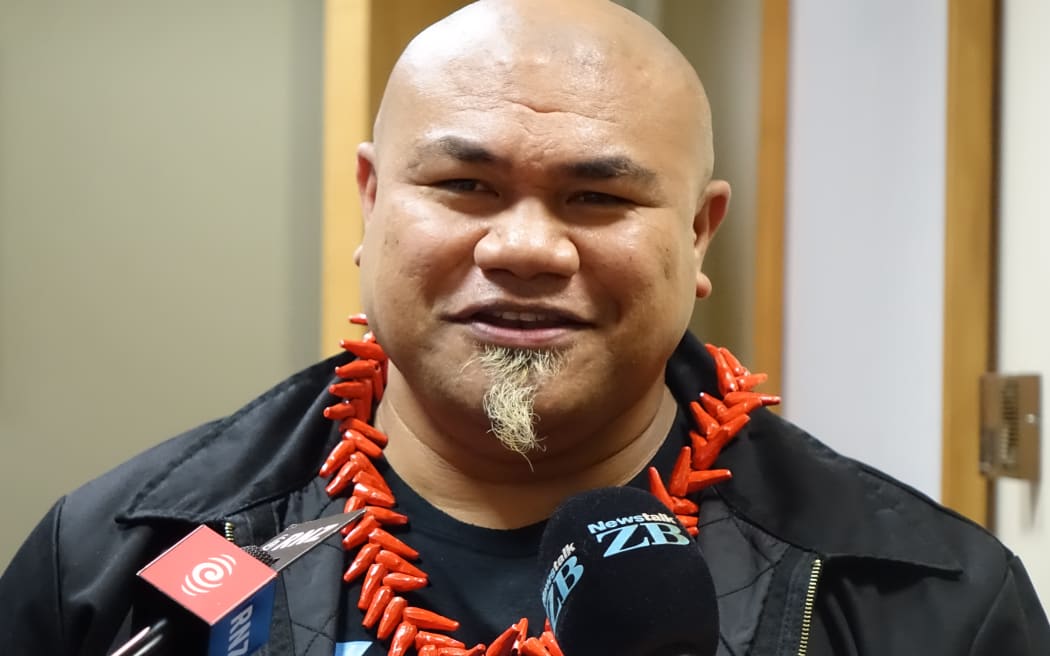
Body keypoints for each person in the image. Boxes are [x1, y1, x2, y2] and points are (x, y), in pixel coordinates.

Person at [1, 1, 1047, 654]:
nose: (527, 248)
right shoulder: (113, 564)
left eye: (599, 197)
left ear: (698, 232)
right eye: (465, 185)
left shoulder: (926, 604)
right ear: (371, 200)